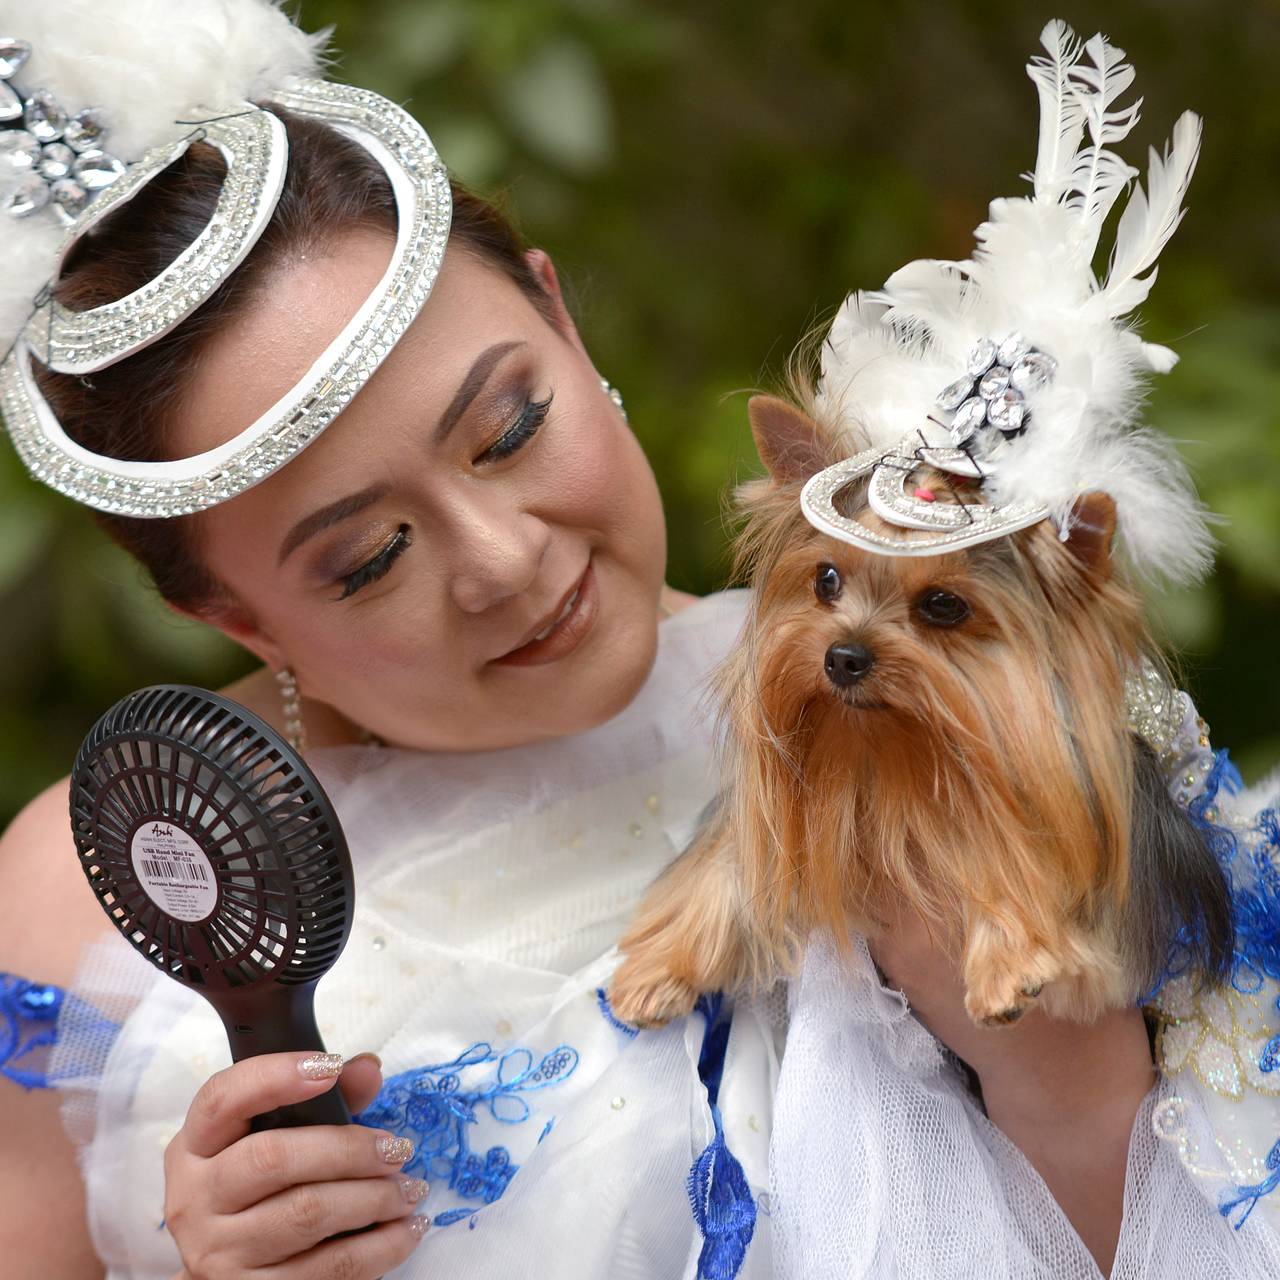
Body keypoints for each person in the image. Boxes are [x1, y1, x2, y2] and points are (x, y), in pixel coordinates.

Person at [0, 5, 1273, 1279]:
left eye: (508, 427)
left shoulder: (930, 711)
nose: (505, 560)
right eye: (369, 558)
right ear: (228, 613)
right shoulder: (96, 891)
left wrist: (1062, 1087)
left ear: (563, 321)